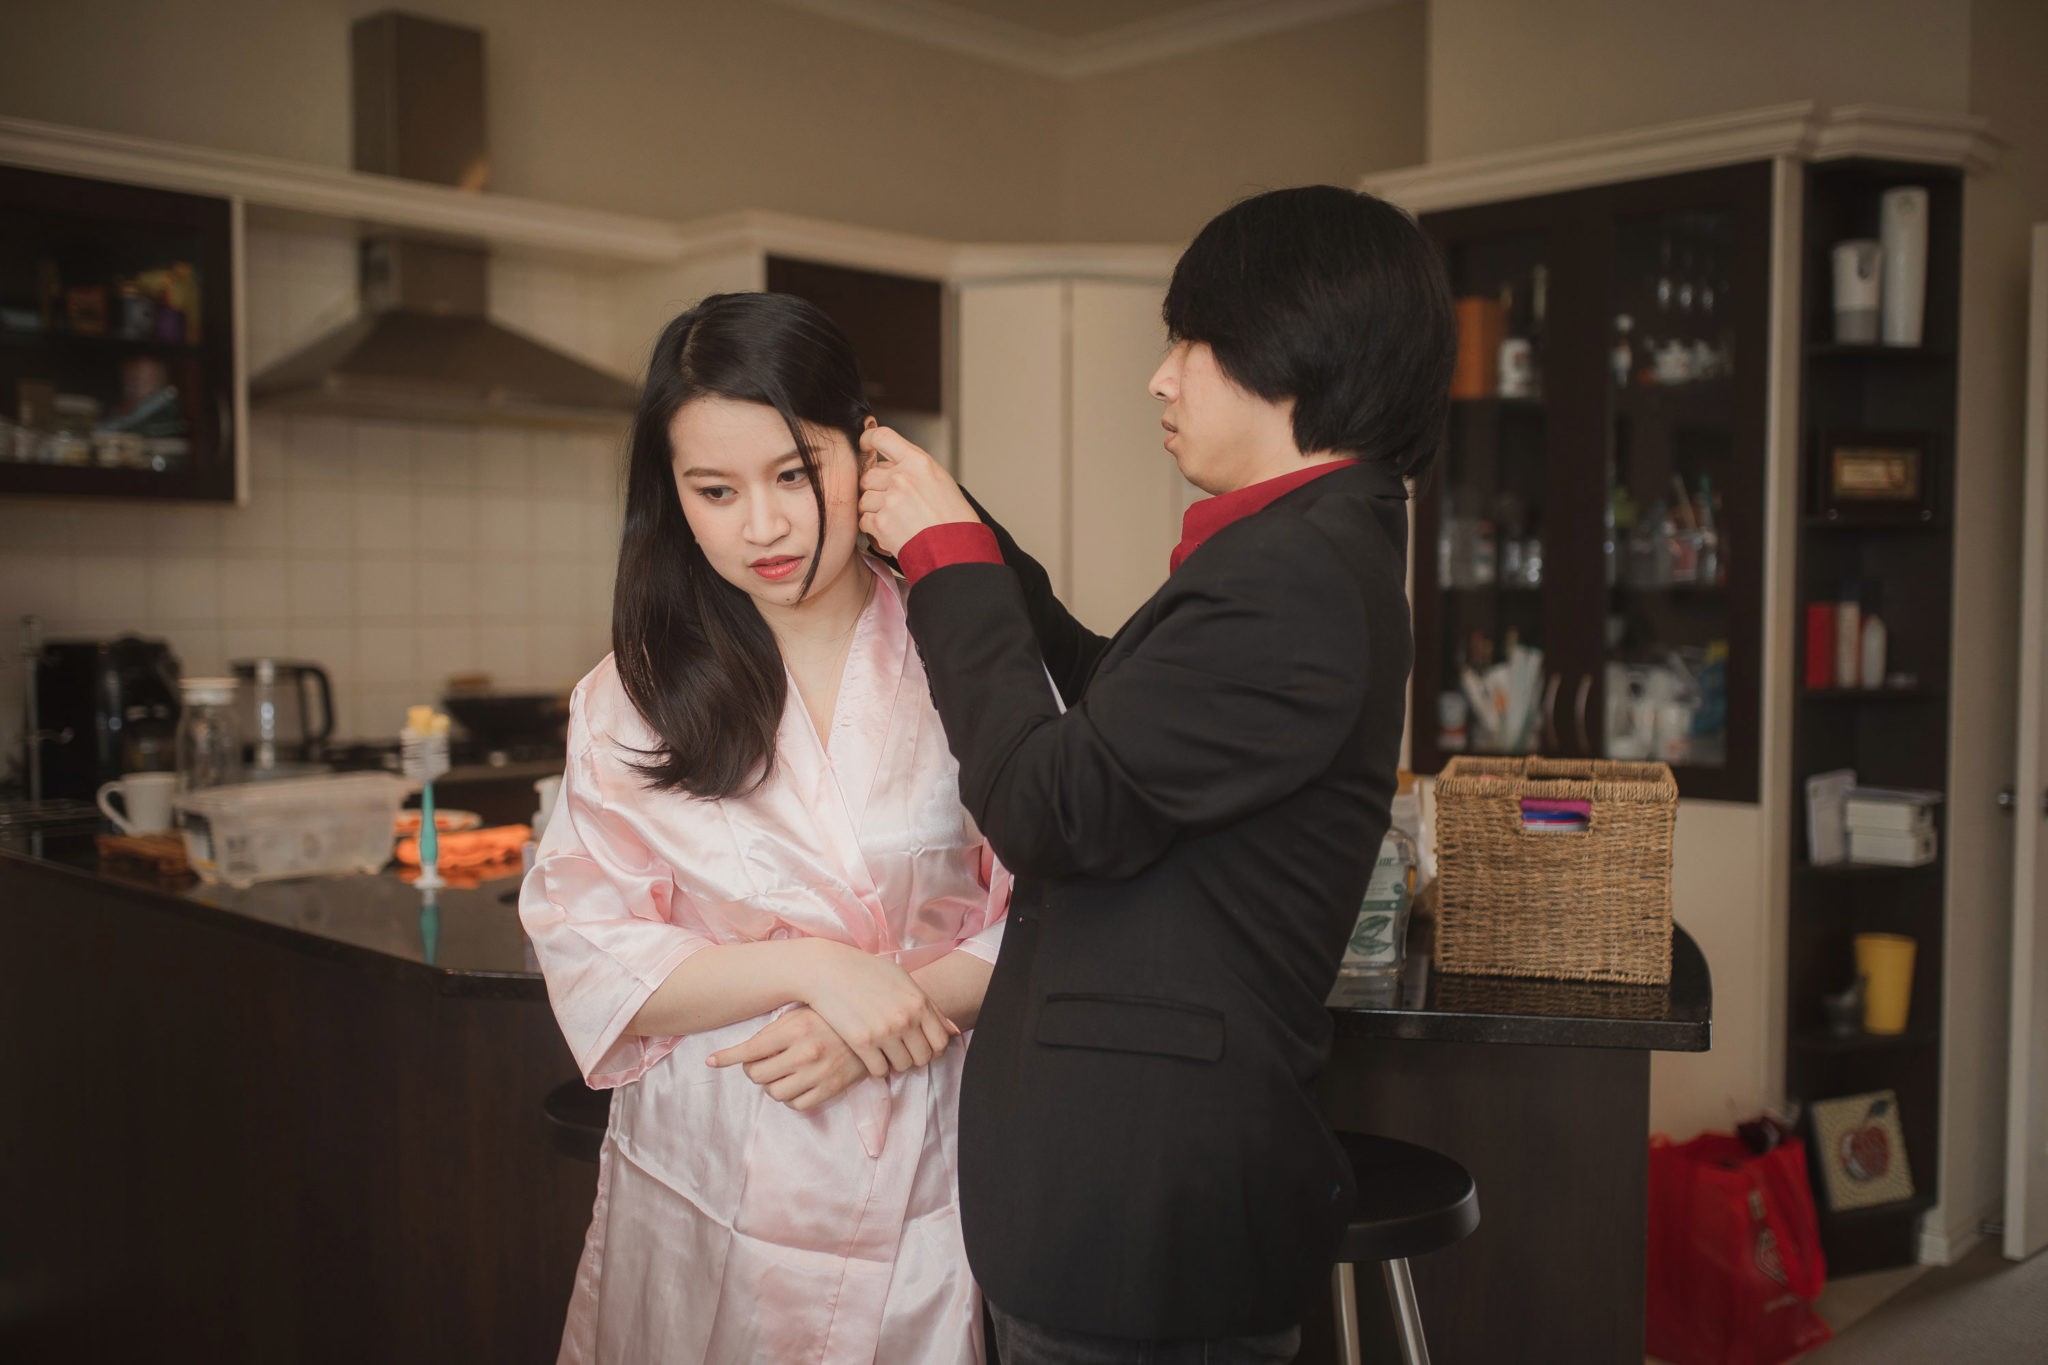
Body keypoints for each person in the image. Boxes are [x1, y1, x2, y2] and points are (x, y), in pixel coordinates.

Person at [856, 185, 1456, 1364]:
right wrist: (960, 533)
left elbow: (1051, 803)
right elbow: (1102, 700)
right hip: (1132, 1187)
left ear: (1293, 354)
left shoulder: (1292, 575)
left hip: (1142, 1201)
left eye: (1191, 341)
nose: (1161, 377)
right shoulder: (1303, 548)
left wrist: (943, 560)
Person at [520, 292, 1009, 1365]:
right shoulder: (631, 696)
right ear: (673, 499)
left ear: (864, 452)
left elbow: (1059, 908)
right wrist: (822, 973)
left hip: (928, 1158)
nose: (764, 525)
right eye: (715, 490)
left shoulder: (971, 655)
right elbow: (587, 939)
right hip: (712, 1171)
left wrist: (893, 1004)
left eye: (796, 473)